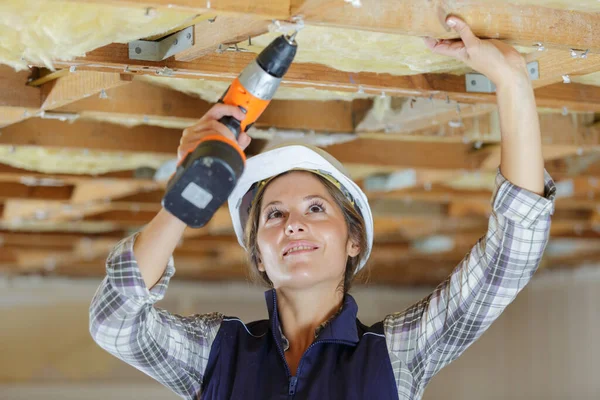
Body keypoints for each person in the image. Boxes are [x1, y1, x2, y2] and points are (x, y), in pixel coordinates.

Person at [89, 16, 556, 400]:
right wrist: (189, 187)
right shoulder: (220, 354)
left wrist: (511, 78)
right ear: (258, 254)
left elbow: (509, 256)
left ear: (354, 240)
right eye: (273, 214)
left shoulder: (393, 355)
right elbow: (116, 322)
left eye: (316, 208)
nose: (293, 224)